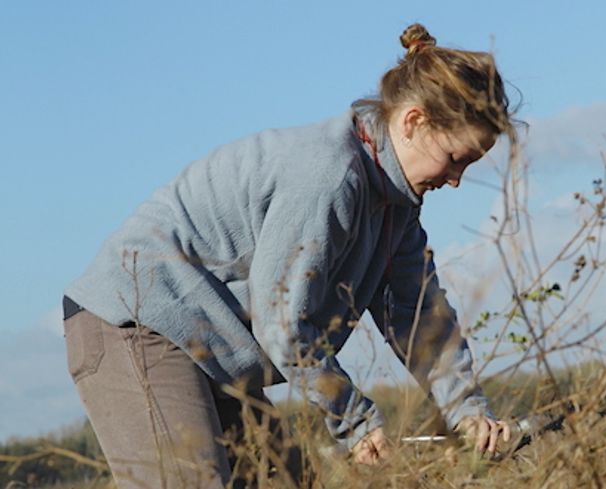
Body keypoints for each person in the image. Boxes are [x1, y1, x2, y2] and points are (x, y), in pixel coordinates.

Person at [63, 23, 518, 488]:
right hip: (137, 323)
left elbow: (420, 318)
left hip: (208, 345)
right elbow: (282, 319)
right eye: (455, 158)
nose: (457, 178)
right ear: (414, 121)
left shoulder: (395, 211)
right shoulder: (329, 176)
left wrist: (468, 414)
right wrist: (354, 421)